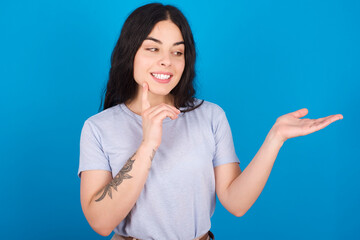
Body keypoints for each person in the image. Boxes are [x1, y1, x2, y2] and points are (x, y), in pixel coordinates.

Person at [78, 3, 343, 240]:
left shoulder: (210, 116)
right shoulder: (98, 128)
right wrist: (148, 145)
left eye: (177, 52)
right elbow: (101, 223)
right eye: (153, 48)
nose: (166, 61)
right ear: (129, 53)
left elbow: (236, 203)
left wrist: (275, 138)